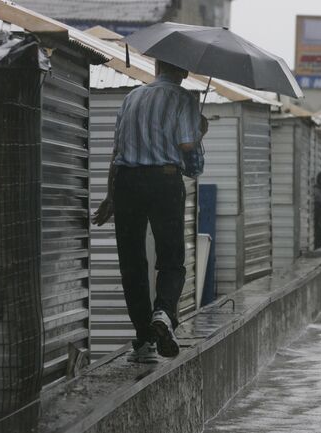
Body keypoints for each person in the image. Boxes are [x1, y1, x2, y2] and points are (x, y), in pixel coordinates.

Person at [91, 60, 208, 363]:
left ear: (156, 65)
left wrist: (110, 196)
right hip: (165, 181)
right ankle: (164, 314)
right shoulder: (185, 99)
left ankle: (144, 343)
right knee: (171, 259)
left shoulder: (132, 97)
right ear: (183, 70)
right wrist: (199, 133)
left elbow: (117, 153)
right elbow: (188, 150)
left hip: (126, 184)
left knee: (132, 263)